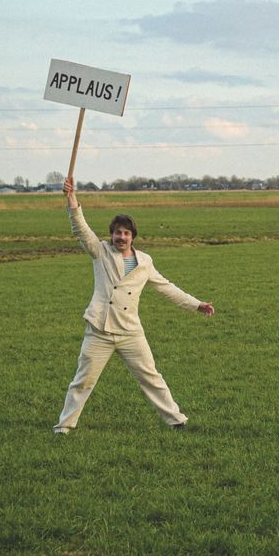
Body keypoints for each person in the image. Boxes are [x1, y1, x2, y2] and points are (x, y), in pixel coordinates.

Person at [54, 179, 214, 434]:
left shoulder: (145, 262)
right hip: (99, 329)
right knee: (83, 381)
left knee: (150, 377)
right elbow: (80, 228)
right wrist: (71, 198)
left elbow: (166, 287)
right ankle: (64, 426)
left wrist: (196, 304)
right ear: (112, 235)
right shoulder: (100, 252)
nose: (121, 237)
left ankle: (177, 420)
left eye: (126, 233)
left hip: (130, 332)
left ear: (132, 237)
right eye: (118, 233)